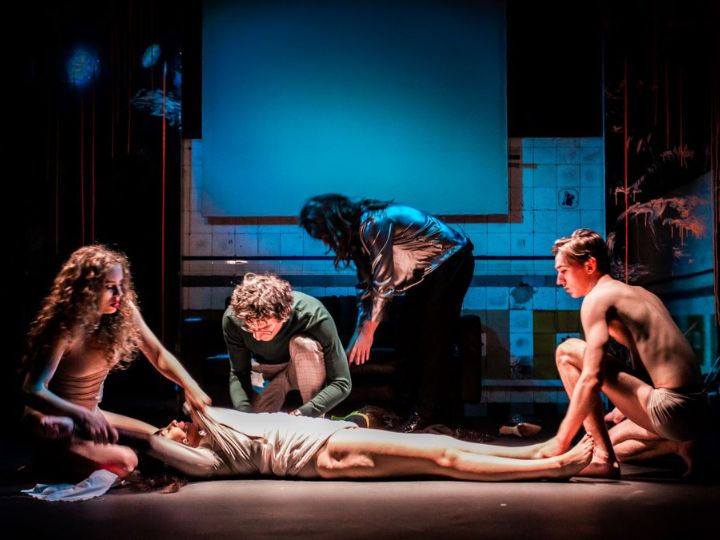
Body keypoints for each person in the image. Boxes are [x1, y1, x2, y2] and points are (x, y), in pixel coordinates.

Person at [20, 245, 211, 479]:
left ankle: (78, 457)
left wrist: (190, 386)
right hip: (55, 420)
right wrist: (81, 417)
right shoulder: (64, 329)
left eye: (121, 285)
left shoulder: (124, 312)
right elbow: (32, 390)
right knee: (126, 461)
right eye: (110, 287)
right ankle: (52, 458)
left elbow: (158, 354)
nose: (119, 294)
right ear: (87, 290)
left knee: (163, 444)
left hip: (93, 414)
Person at [535, 229, 706, 478]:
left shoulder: (597, 299)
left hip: (670, 408)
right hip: (696, 410)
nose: (559, 281)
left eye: (563, 271)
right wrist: (625, 408)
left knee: (567, 351)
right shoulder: (642, 294)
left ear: (590, 265)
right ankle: (679, 445)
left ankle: (604, 460)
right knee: (607, 440)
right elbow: (647, 368)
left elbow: (591, 378)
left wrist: (560, 441)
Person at [299, 194, 474, 432]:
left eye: (323, 235)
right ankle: (404, 410)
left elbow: (383, 283)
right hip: (426, 274)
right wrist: (358, 334)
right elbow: (366, 289)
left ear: (334, 225)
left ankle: (426, 414)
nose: (324, 242)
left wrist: (369, 332)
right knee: (406, 338)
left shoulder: (372, 223)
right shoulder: (357, 238)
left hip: (451, 258)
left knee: (431, 338)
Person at [145, 406, 593, 482]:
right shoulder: (205, 459)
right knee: (441, 456)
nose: (170, 425)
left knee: (438, 442)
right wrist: (145, 440)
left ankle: (536, 451)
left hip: (327, 438)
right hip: (322, 453)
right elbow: (151, 442)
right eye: (167, 432)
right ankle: (550, 468)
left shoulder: (206, 424)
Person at [222, 273, 351, 417]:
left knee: (303, 344)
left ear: (284, 313)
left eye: (265, 328)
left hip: (302, 365)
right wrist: (244, 414)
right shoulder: (233, 319)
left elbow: (342, 382)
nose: (257, 337)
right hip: (265, 371)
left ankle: (314, 422)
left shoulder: (312, 313)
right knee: (258, 424)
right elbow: (239, 373)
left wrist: (304, 413)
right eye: (250, 328)